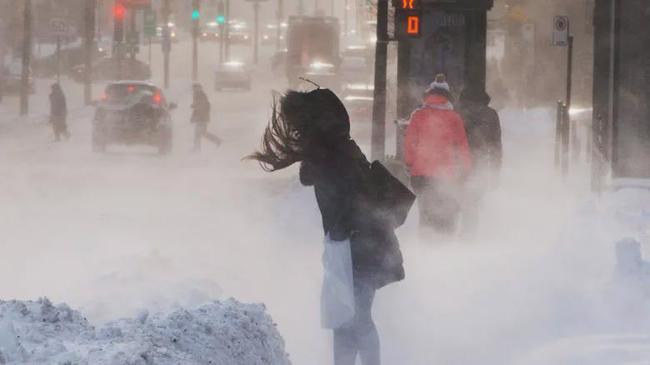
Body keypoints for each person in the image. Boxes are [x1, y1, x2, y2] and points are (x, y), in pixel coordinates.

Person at [250, 88, 406, 365]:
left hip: (361, 246)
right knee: (344, 319)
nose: (296, 131)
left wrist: (345, 235)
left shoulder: (336, 155)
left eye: (300, 125)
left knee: (356, 318)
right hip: (349, 245)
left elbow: (351, 199)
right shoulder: (334, 151)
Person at [404, 74, 472, 237]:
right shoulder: (454, 118)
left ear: (429, 96)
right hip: (445, 175)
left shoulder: (418, 115)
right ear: (447, 98)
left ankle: (427, 245)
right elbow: (462, 146)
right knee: (446, 209)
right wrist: (466, 169)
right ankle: (445, 247)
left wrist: (409, 163)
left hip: (421, 175)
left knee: (426, 210)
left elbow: (410, 143)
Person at [458, 88, 503, 237]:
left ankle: (448, 235)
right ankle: (469, 233)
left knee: (453, 196)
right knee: (472, 200)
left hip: (458, 162)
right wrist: (495, 170)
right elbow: (496, 145)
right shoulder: (491, 114)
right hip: (480, 162)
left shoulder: (458, 112)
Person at [190, 84, 221, 151]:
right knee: (201, 133)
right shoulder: (198, 95)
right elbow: (199, 107)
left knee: (200, 133)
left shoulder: (200, 95)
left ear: (199, 88)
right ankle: (197, 148)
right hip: (201, 117)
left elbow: (202, 106)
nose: (194, 90)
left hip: (202, 117)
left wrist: (194, 106)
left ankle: (217, 141)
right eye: (194, 89)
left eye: (195, 88)